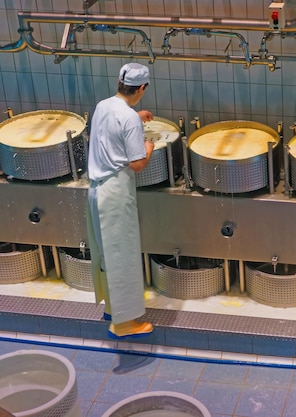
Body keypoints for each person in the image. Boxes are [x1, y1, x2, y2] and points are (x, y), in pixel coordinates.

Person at [86, 62, 155, 339]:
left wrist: (135, 117)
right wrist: (148, 147)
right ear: (141, 88)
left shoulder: (104, 105)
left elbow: (115, 122)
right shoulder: (127, 118)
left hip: (95, 191)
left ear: (119, 82)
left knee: (106, 254)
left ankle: (113, 308)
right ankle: (125, 324)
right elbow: (137, 164)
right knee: (122, 258)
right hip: (115, 195)